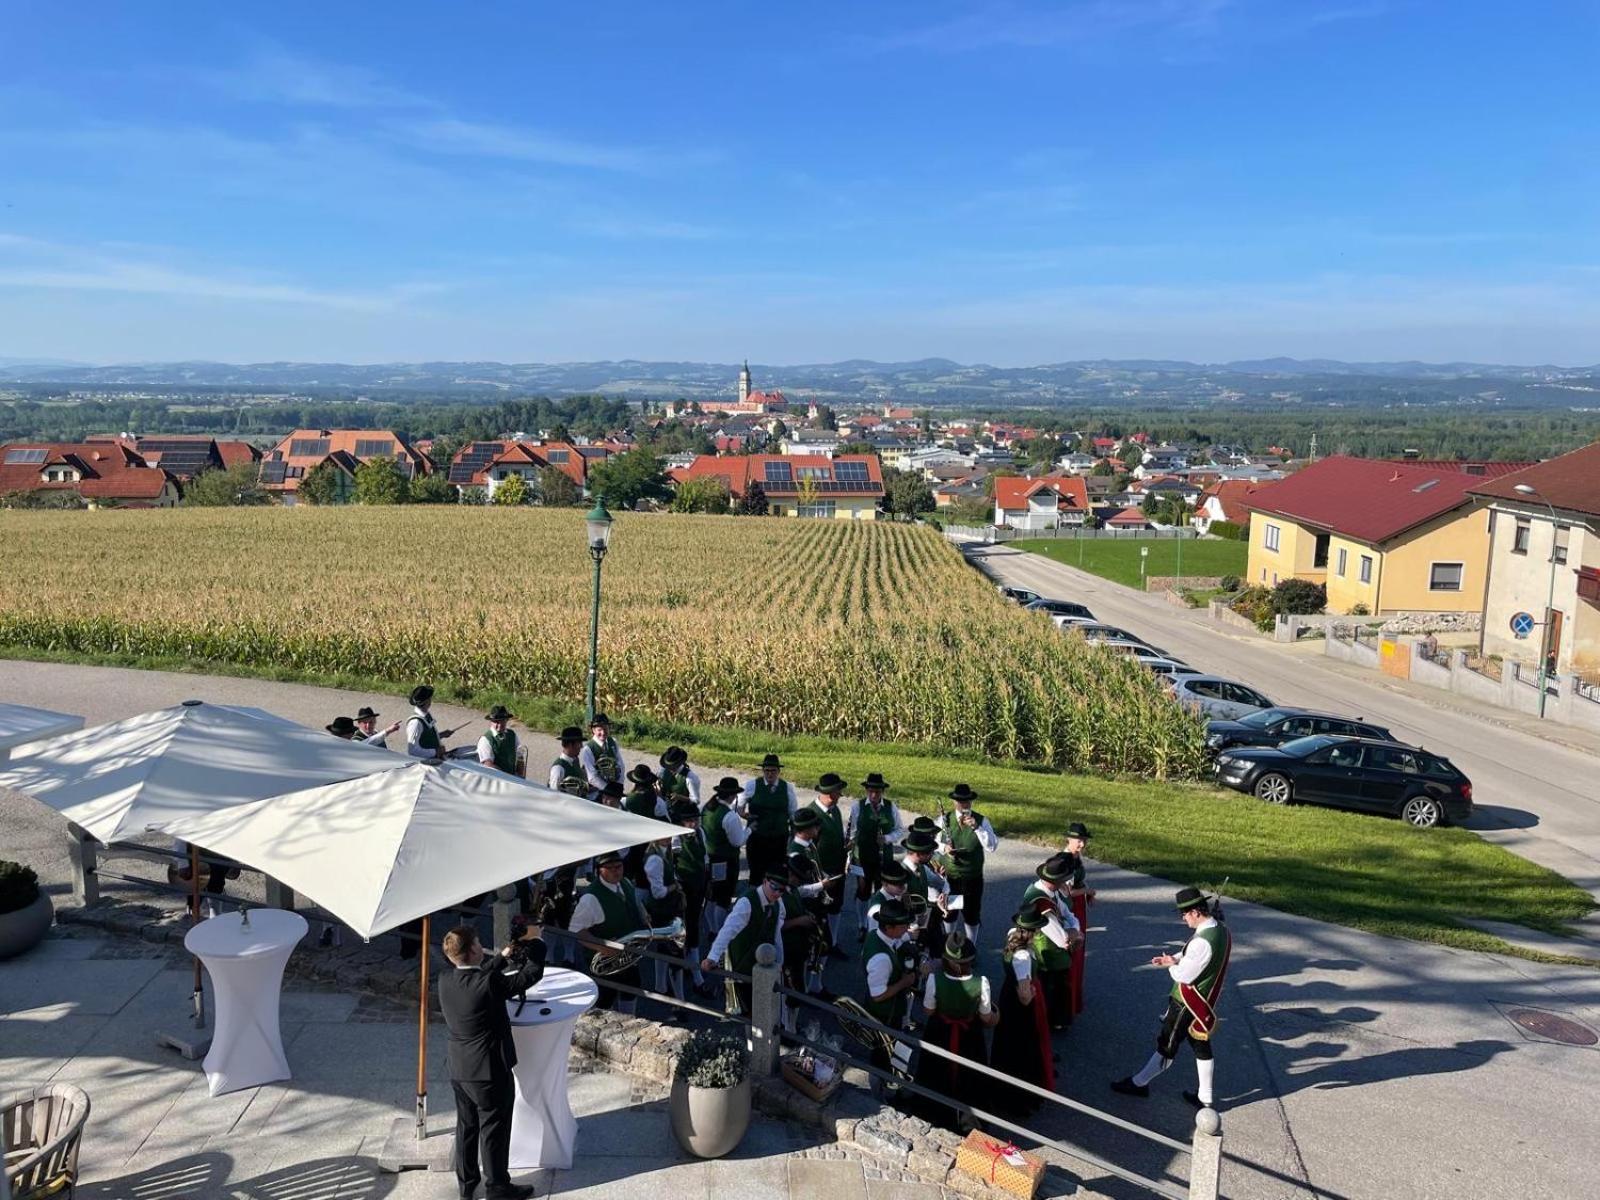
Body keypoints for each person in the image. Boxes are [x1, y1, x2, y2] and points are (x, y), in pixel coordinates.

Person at [438, 921, 546, 1200]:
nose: (480, 947)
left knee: (467, 1126)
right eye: (478, 944)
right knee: (493, 1129)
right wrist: (538, 943)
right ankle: (498, 1187)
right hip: (489, 1069)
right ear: (474, 950)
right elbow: (528, 977)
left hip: (460, 1068)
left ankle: (466, 1184)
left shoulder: (446, 979)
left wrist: (502, 957)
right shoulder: (489, 982)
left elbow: (476, 978)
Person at [1113, 887, 1232, 1110]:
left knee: (1167, 1046)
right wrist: (1175, 957)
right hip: (1202, 1003)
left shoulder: (1201, 942)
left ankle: (1139, 1083)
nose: (1183, 918)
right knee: (1200, 1045)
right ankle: (1205, 1097)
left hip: (1186, 1002)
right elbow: (1193, 956)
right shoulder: (1220, 930)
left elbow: (1184, 975)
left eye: (1185, 914)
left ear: (1197, 912)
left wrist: (1170, 965)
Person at [913, 932, 995, 1130]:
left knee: (935, 1072)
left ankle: (934, 1114)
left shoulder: (934, 979)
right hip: (969, 1036)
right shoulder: (981, 983)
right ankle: (969, 1122)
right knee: (970, 1077)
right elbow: (986, 1017)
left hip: (939, 1032)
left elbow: (928, 1009)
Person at [990, 907, 1056, 1117]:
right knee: (1022, 1047)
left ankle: (1002, 1091)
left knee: (1006, 1044)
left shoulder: (1011, 936)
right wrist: (1034, 992)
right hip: (1020, 1007)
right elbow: (1025, 995)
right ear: (1033, 931)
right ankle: (1017, 1099)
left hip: (1007, 996)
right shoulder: (1023, 957)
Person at [568, 850, 649, 1014]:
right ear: (599, 870)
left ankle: (628, 1023)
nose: (615, 871)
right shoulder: (590, 898)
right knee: (605, 999)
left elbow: (634, 903)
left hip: (628, 955)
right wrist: (603, 947)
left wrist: (644, 915)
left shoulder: (625, 883)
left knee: (631, 990)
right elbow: (577, 931)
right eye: (610, 868)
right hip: (605, 962)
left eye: (618, 866)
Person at [702, 867, 787, 1017]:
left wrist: (779, 964)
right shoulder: (746, 902)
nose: (777, 893)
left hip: (764, 966)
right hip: (742, 965)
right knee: (749, 1014)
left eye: (782, 890)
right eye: (774, 887)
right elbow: (727, 931)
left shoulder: (778, 904)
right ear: (765, 881)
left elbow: (776, 936)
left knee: (763, 1011)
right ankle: (752, 1039)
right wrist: (712, 957)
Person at [860, 898, 925, 1085]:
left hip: (888, 1011)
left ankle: (890, 1083)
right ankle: (882, 1091)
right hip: (885, 1015)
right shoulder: (881, 959)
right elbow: (878, 995)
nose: (907, 927)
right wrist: (904, 982)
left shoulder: (876, 934)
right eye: (903, 925)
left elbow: (898, 941)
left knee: (890, 1053)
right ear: (889, 927)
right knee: (883, 1057)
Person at [1020, 855, 1082, 1030]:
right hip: (1045, 952)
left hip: (1054, 948)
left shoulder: (1049, 892)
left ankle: (1055, 1019)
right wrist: (1073, 935)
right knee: (1050, 988)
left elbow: (1068, 914)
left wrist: (1075, 929)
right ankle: (1048, 1022)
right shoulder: (1040, 900)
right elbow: (1060, 938)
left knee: (1058, 986)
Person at [936, 784, 998, 947]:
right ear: (954, 802)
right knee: (949, 912)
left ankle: (971, 946)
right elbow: (934, 844)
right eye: (960, 801)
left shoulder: (982, 820)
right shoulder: (944, 820)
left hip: (973, 877)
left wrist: (976, 828)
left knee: (971, 914)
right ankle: (949, 945)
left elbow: (992, 846)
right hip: (951, 876)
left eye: (967, 801)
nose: (964, 805)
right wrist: (945, 848)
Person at [847, 772, 905, 938]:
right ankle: (862, 924)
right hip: (862, 855)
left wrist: (886, 838)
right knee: (863, 889)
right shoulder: (857, 806)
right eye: (870, 791)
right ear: (866, 790)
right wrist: (849, 855)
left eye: (877, 792)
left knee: (882, 889)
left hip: (883, 855)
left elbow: (900, 829)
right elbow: (852, 832)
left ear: (882, 792)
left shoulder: (890, 806)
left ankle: (880, 923)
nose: (873, 795)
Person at [669, 798, 711, 995]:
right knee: (687, 929)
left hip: (698, 887)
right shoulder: (676, 838)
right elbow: (674, 866)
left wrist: (707, 881)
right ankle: (696, 978)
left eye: (695, 820)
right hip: (684, 890)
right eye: (689, 821)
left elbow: (705, 859)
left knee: (694, 925)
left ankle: (690, 967)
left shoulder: (700, 834)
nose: (693, 824)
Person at [806, 773, 850, 949]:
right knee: (820, 911)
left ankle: (833, 943)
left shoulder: (835, 811)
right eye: (839, 792)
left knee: (836, 907)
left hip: (838, 871)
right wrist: (819, 876)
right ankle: (820, 946)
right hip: (822, 875)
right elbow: (808, 849)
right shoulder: (812, 815)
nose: (841, 795)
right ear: (831, 793)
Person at [700, 777, 749, 933]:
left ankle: (712, 929)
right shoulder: (729, 816)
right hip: (726, 861)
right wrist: (750, 829)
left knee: (711, 896)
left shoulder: (705, 808)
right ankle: (719, 931)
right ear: (732, 796)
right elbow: (738, 841)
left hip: (709, 858)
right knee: (723, 898)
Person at [740, 754, 798, 885]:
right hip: (757, 839)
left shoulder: (787, 787)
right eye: (767, 771)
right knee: (756, 875)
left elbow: (793, 812)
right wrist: (745, 815)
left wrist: (793, 837)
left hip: (779, 839)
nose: (770, 774)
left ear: (779, 771)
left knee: (777, 875)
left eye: (773, 771)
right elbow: (738, 805)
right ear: (763, 771)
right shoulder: (752, 785)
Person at [1060, 822, 1096, 1018]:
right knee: (1073, 951)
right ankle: (1068, 999)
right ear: (1069, 839)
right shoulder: (1065, 861)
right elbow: (1068, 891)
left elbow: (1078, 882)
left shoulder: (1075, 857)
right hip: (1070, 909)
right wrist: (1088, 891)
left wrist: (1087, 892)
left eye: (1083, 840)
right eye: (1078, 840)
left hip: (1079, 906)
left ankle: (1075, 995)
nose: (1081, 844)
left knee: (1079, 953)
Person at [899, 831, 950, 959]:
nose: (932, 855)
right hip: (910, 930)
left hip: (924, 921)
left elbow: (940, 883)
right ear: (917, 854)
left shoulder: (923, 868)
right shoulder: (900, 876)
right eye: (928, 853)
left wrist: (942, 896)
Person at [579, 713, 625, 801]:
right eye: (599, 730)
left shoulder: (613, 742)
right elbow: (592, 777)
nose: (603, 733)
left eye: (605, 729)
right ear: (593, 730)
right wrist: (608, 789)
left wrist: (620, 784)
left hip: (614, 786)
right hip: (596, 791)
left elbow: (620, 765)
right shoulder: (588, 749)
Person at [405, 686, 457, 761]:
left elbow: (424, 739)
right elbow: (412, 751)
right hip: (427, 765)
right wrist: (436, 752)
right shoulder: (415, 723)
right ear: (427, 701)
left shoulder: (426, 715)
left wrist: (441, 735)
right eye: (430, 698)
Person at [476, 706, 520, 775]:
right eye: (496, 722)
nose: (499, 725)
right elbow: (487, 764)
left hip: (513, 779)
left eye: (502, 721)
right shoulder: (485, 740)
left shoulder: (512, 735)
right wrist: (505, 776)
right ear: (491, 722)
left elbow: (520, 756)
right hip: (496, 780)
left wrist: (520, 777)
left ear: (507, 720)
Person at [548, 726, 590, 797]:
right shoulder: (558, 768)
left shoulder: (575, 761)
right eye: (579, 743)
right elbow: (553, 795)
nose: (581, 746)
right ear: (570, 745)